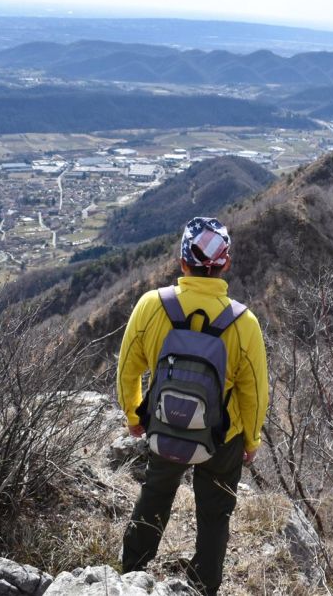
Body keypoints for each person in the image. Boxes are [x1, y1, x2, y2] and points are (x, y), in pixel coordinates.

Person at [117, 216, 268, 595]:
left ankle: (131, 575)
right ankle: (204, 588)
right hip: (222, 438)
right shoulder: (244, 323)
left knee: (155, 494)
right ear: (225, 264)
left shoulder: (151, 306)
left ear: (182, 261)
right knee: (215, 515)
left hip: (165, 425)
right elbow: (255, 394)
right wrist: (250, 441)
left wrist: (135, 414)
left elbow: (127, 370)